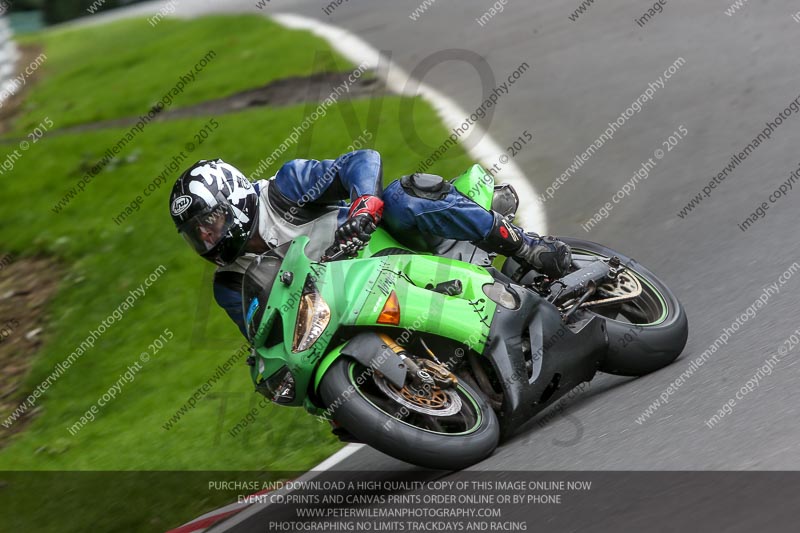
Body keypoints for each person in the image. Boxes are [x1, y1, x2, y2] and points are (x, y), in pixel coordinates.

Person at [168, 150, 571, 337]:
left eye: (209, 222)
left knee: (400, 196)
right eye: (195, 234)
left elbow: (360, 161)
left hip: (391, 245)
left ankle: (524, 245)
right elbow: (263, 337)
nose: (205, 238)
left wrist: (364, 204)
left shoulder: (284, 190)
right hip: (350, 307)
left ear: (233, 199)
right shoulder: (228, 283)